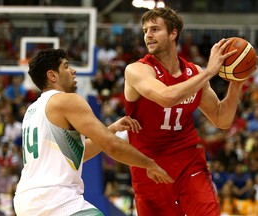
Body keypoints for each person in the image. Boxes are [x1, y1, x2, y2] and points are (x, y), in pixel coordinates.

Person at [124, 7, 258, 216]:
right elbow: (167, 97)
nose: (148, 35)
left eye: (155, 29)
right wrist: (211, 71)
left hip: (188, 162)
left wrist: (236, 83)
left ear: (173, 33)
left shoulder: (194, 72)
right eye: (145, 30)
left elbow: (222, 119)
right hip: (149, 168)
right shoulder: (137, 70)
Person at [13, 48, 174, 216]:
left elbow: (78, 154)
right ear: (52, 76)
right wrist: (150, 164)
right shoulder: (66, 100)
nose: (73, 71)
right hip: (55, 198)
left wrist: (111, 129)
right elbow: (111, 146)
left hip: (26, 200)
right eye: (66, 67)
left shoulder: (33, 110)